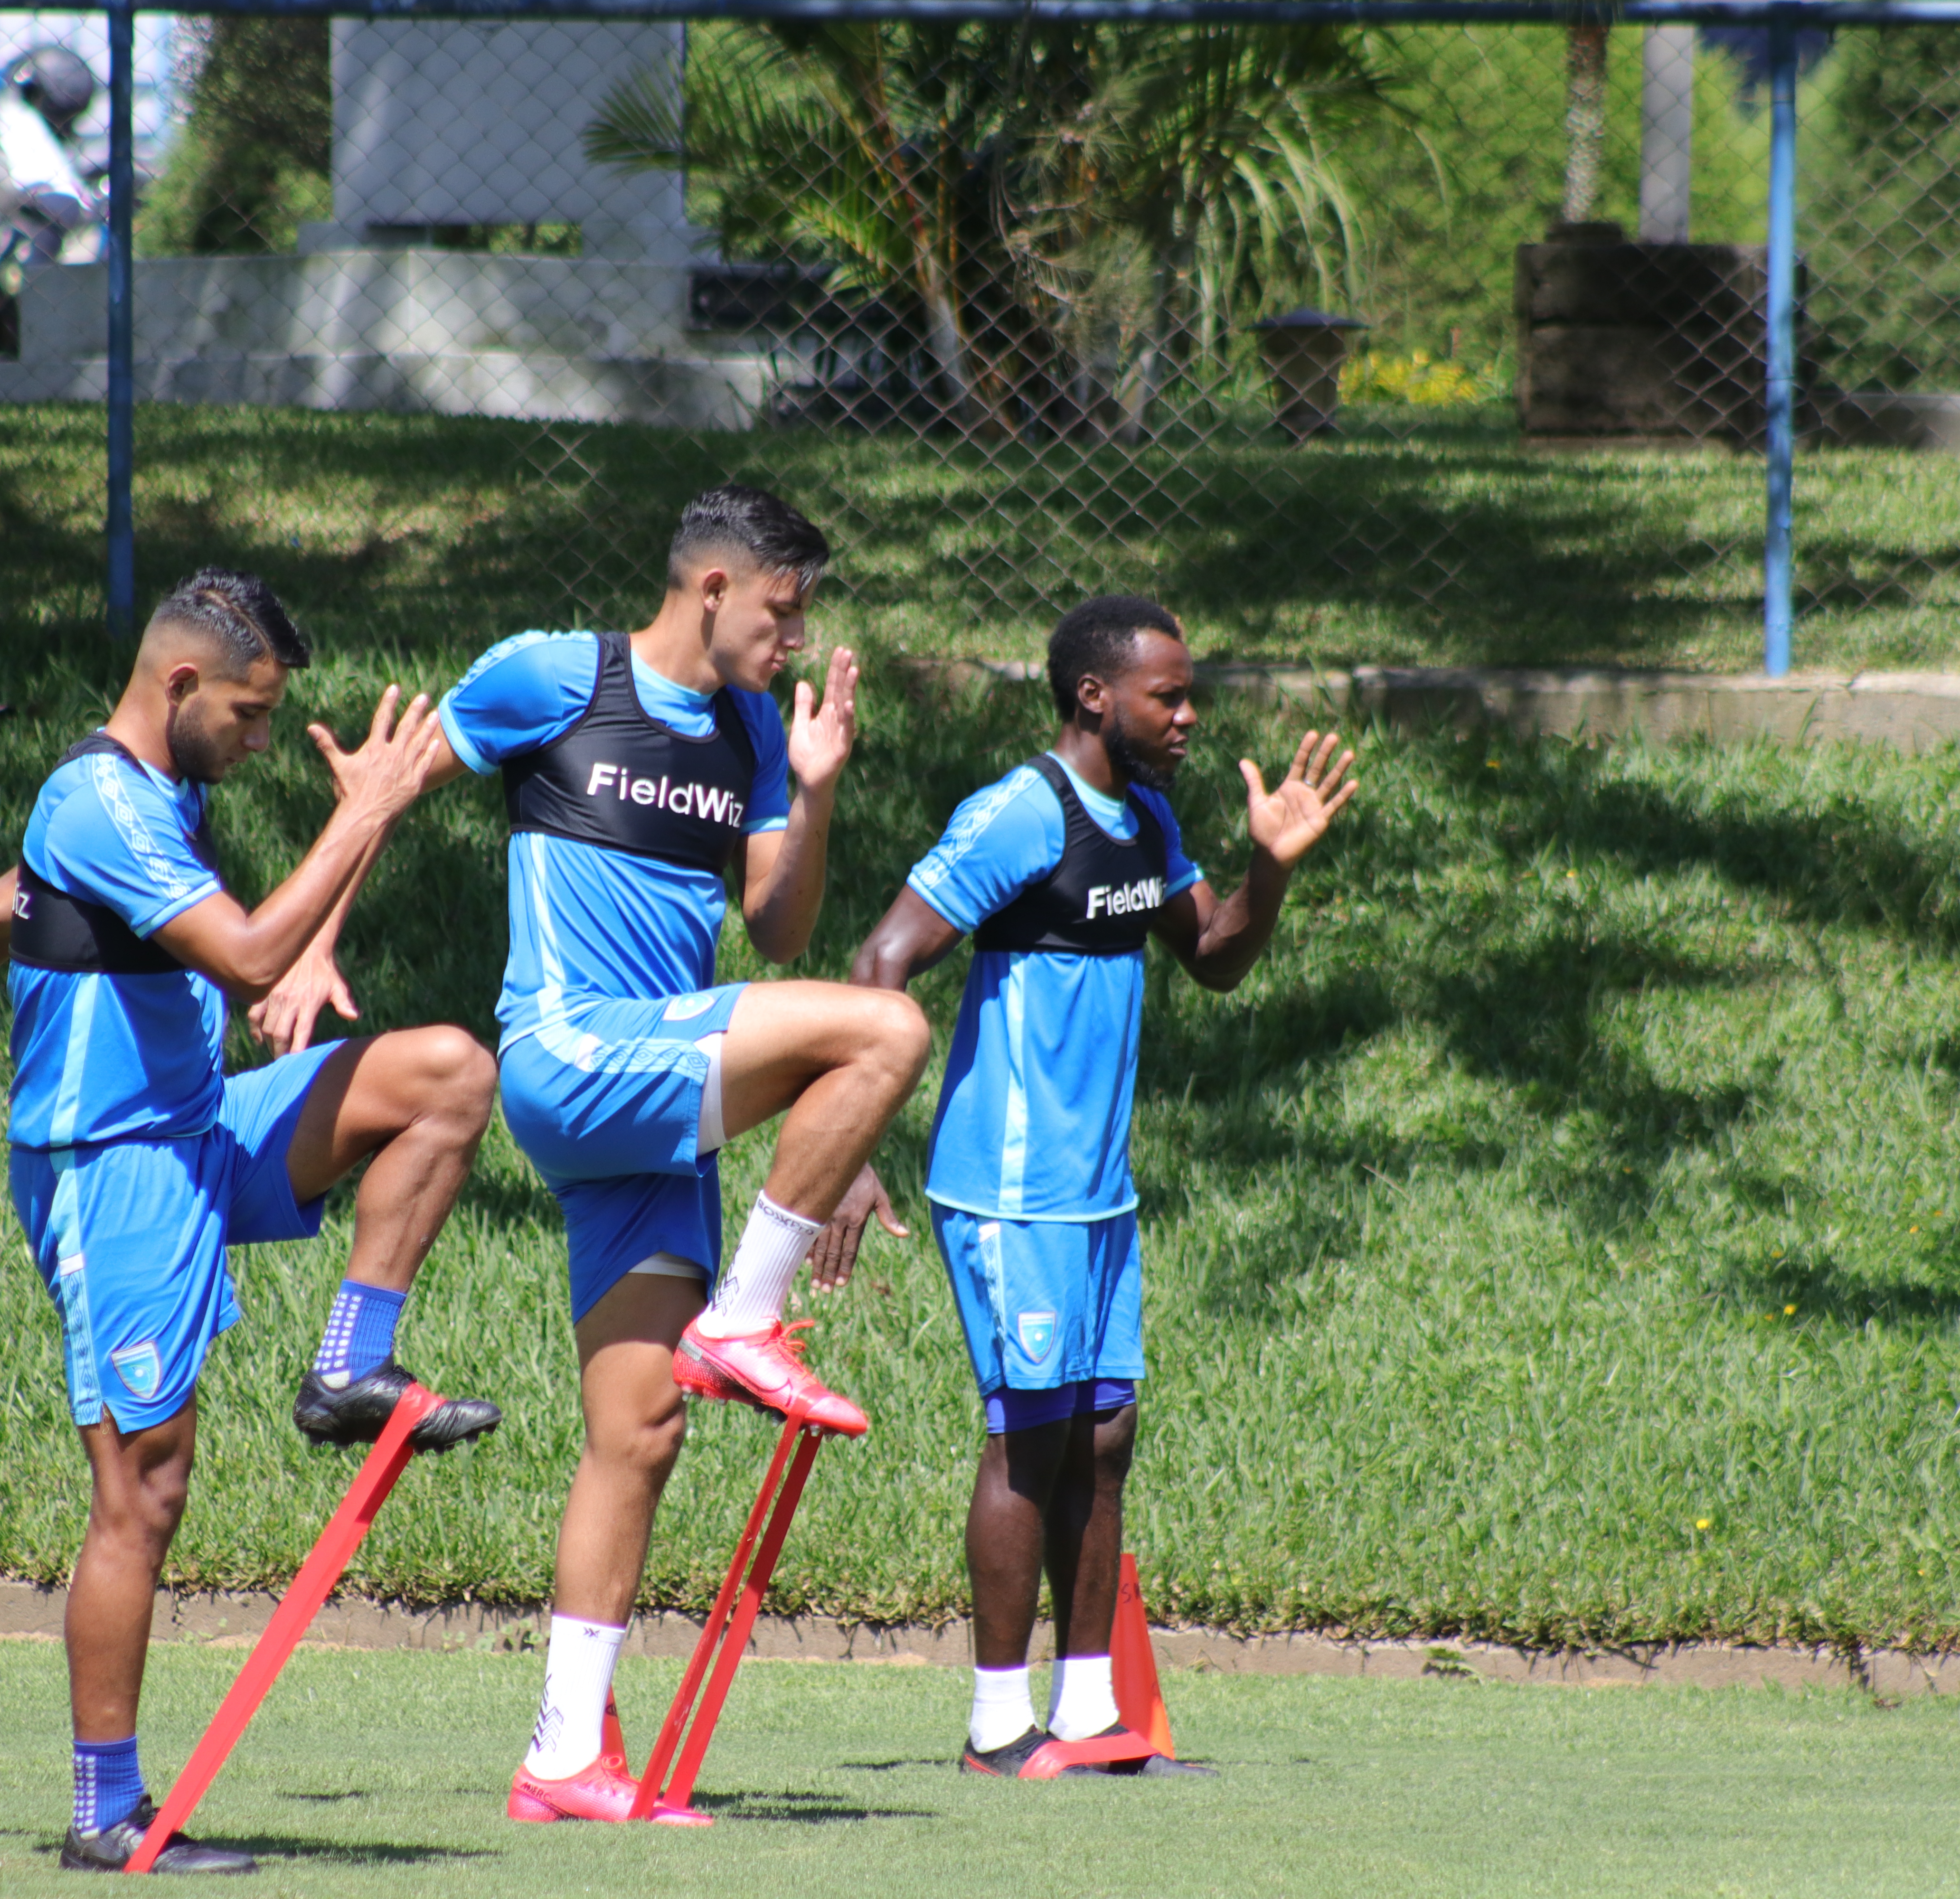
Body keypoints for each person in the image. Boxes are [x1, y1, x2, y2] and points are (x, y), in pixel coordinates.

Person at [0, 569, 497, 1873]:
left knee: (447, 1074)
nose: (264, 739)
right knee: (142, 1492)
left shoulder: (162, 793)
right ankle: (107, 1809)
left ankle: (349, 1364)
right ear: (181, 687)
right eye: (253, 715)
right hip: (110, 1171)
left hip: (202, 1128)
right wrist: (364, 818)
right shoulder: (95, 798)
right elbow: (250, 956)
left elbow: (5, 909)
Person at [249, 485, 929, 1824]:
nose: (794, 639)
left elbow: (780, 932)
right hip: (572, 1054)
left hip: (657, 1105)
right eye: (784, 611)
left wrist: (814, 788)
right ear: (716, 588)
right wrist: (317, 938)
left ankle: (564, 1755)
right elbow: (388, 787)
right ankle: (747, 1316)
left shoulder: (744, 731)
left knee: (643, 1429)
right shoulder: (552, 677)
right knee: (890, 1026)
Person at [848, 595, 1360, 1778]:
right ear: (1094, 696)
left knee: (1105, 1432)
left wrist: (1268, 871)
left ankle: (1088, 1719)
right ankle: (994, 1727)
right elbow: (882, 962)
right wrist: (849, 1150)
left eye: (1189, 696)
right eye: (1166, 696)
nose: (1188, 715)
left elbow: (1217, 958)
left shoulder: (1147, 818)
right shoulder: (1021, 813)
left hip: (1098, 1193)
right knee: (1030, 1435)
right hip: (1009, 1183)